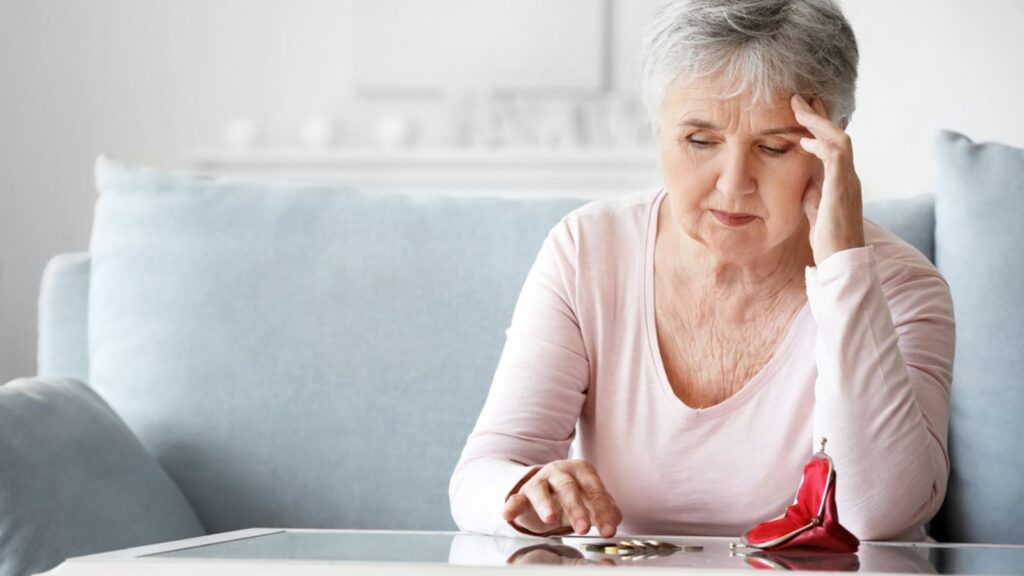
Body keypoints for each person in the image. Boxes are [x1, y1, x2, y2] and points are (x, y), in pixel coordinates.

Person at [449, 0, 954, 542]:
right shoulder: (586, 250)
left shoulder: (902, 286)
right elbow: (483, 473)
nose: (734, 183)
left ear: (832, 145)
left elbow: (875, 514)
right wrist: (528, 493)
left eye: (776, 147)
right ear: (658, 128)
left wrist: (844, 271)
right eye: (700, 141)